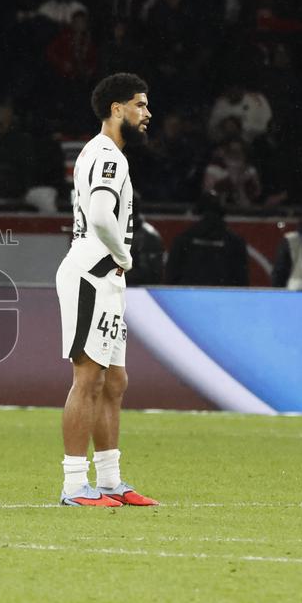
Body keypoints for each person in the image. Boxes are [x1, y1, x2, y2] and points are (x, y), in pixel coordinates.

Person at [55, 72, 158, 507]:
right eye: (140, 104)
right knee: (88, 379)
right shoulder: (107, 156)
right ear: (117, 109)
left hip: (106, 279)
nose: (146, 113)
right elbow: (99, 215)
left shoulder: (106, 153)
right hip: (92, 275)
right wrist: (125, 254)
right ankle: (76, 485)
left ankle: (112, 480)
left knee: (114, 381)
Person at [165, 190, 249, 287]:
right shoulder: (234, 242)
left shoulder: (184, 239)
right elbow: (242, 281)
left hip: (190, 296)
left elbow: (171, 277)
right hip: (223, 297)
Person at [125, 191, 165, 286]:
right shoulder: (112, 232)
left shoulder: (148, 236)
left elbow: (149, 275)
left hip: (138, 293)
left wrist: (115, 274)